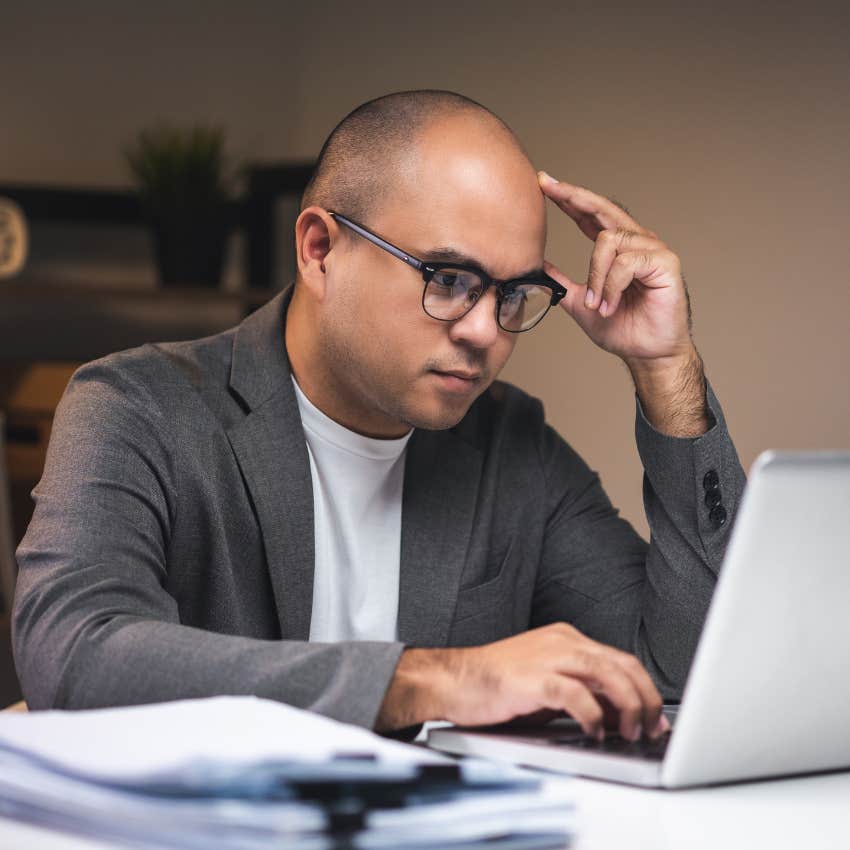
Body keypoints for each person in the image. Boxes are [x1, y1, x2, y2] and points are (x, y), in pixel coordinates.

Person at [13, 90, 745, 743]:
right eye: (450, 279)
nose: (487, 332)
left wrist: (665, 368)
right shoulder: (137, 407)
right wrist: (428, 681)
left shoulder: (511, 447)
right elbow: (75, 654)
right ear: (320, 250)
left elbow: (682, 678)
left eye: (513, 293)